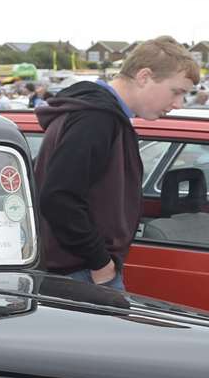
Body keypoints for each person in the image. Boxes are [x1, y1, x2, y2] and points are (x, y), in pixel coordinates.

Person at [33, 36, 198, 292]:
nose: (178, 104)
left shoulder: (99, 116)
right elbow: (59, 198)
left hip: (80, 269)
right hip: (81, 272)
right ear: (144, 76)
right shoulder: (96, 120)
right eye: (176, 92)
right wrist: (101, 263)